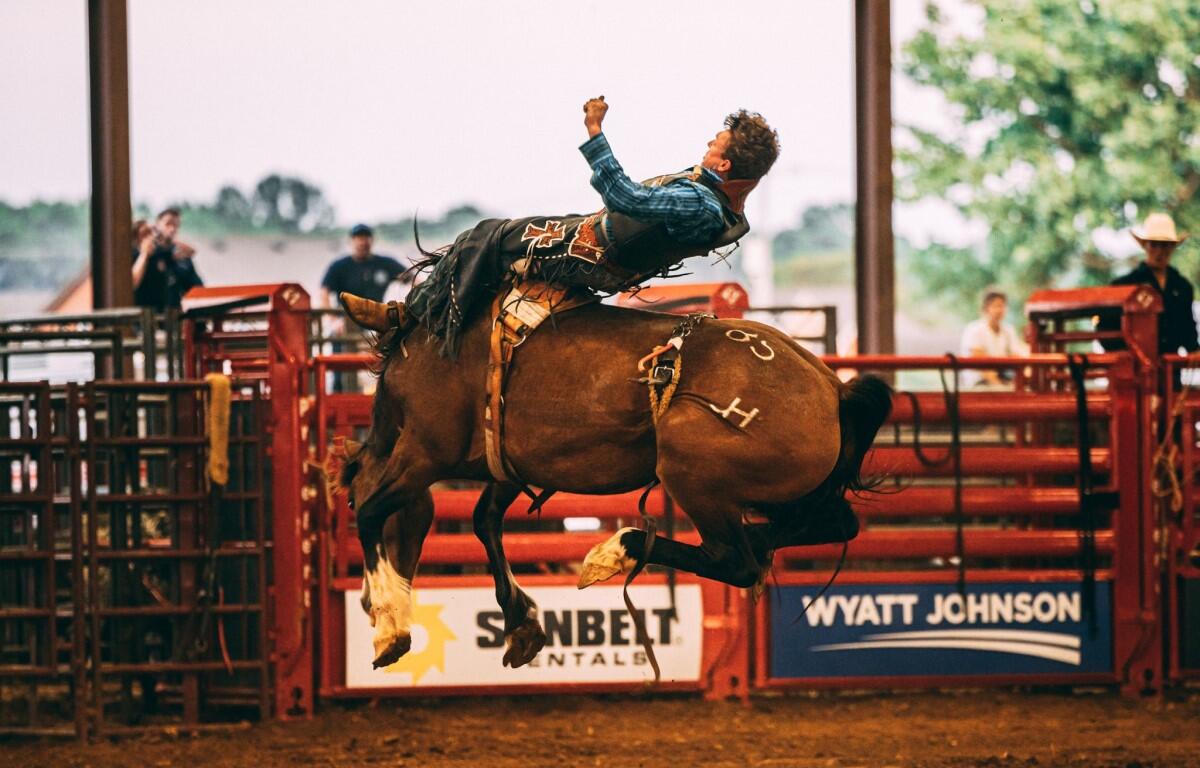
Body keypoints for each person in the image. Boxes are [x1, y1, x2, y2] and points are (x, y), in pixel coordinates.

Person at [391, 96, 780, 354]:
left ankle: (412, 319)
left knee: (483, 237)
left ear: (724, 164)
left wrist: (595, 130)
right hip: (597, 241)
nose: (708, 144)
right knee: (494, 238)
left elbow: (626, 198)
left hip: (591, 252)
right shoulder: (714, 201)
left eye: (715, 143)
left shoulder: (699, 202)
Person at [1100, 212, 1198, 356]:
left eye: (1164, 245)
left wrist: (1194, 350)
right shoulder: (1124, 286)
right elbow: (1106, 329)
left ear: (1172, 247)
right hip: (1134, 366)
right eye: (1154, 245)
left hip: (1171, 366)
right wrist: (1125, 354)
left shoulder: (1183, 287)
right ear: (1145, 246)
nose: (1159, 251)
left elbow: (1187, 328)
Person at [319, 224, 410, 308]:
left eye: (366, 238)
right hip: (346, 315)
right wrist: (332, 317)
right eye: (359, 238)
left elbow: (411, 278)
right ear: (350, 241)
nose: (362, 243)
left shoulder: (385, 264)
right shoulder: (339, 266)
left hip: (376, 314)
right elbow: (324, 291)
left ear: (372, 240)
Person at [132, 208, 203, 311]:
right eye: (168, 224)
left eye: (176, 225)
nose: (172, 229)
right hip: (143, 313)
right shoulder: (135, 255)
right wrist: (144, 254)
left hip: (169, 312)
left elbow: (190, 252)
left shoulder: (169, 254)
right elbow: (133, 282)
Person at [959, 289, 1029, 387]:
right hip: (978, 382)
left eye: (1002, 306)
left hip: (1003, 378)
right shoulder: (974, 330)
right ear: (985, 309)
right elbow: (980, 363)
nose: (1000, 310)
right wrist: (999, 386)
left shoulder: (1008, 330)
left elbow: (1016, 356)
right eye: (996, 306)